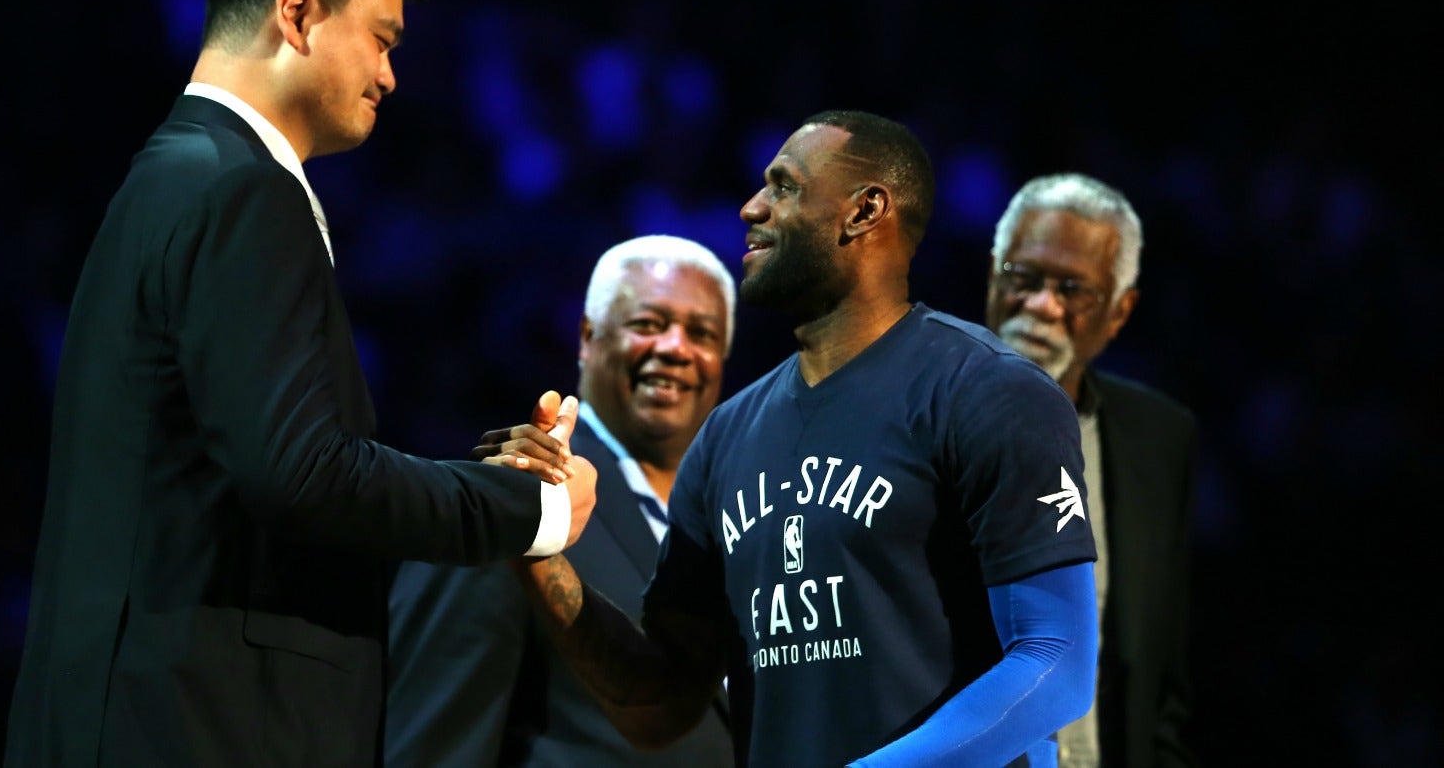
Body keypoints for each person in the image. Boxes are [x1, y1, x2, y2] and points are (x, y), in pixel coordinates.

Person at [2, 0, 596, 768]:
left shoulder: (170, 173)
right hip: (202, 727)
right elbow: (302, 471)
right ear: (296, 12)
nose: (392, 77)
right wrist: (528, 508)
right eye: (383, 41)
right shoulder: (243, 189)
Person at [506, 110, 1101, 767]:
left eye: (783, 187)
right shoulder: (727, 435)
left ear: (863, 211)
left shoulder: (988, 392)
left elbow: (1058, 664)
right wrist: (535, 548)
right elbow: (662, 701)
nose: (751, 207)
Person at [386, 234, 739, 767]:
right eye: (648, 324)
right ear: (587, 338)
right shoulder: (511, 497)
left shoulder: (739, 515)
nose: (675, 347)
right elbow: (433, 742)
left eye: (701, 332)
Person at [985, 173, 1197, 768]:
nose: (1040, 306)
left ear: (1119, 311)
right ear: (991, 272)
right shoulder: (907, 417)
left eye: (1071, 289)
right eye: (1022, 279)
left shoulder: (1158, 440)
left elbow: (1165, 678)